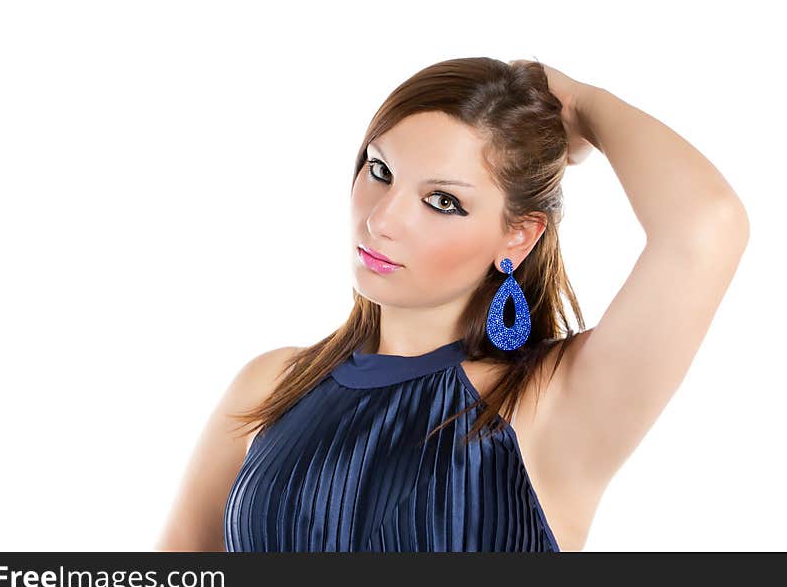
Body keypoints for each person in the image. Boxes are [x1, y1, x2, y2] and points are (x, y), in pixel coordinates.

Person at [156, 57, 749, 552]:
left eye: (442, 201)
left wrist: (582, 104)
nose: (382, 219)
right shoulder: (269, 386)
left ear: (518, 235)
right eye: (380, 170)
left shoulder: (552, 404)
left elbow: (707, 225)